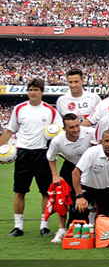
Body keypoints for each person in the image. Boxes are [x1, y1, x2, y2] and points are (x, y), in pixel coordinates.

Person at [0, 78, 62, 237]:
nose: (33, 93)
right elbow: (9, 131)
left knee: (46, 193)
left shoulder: (50, 110)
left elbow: (59, 131)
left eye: (36, 90)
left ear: (42, 92)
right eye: (30, 90)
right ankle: (18, 227)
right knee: (19, 191)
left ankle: (44, 225)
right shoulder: (19, 109)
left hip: (42, 153)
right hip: (23, 154)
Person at [46, 113, 94, 243]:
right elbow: (51, 157)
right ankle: (61, 230)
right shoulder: (57, 141)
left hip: (88, 168)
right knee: (63, 198)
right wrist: (55, 175)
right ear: (64, 128)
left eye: (77, 125)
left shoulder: (90, 132)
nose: (76, 129)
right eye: (71, 127)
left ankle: (86, 226)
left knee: (86, 198)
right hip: (70, 166)